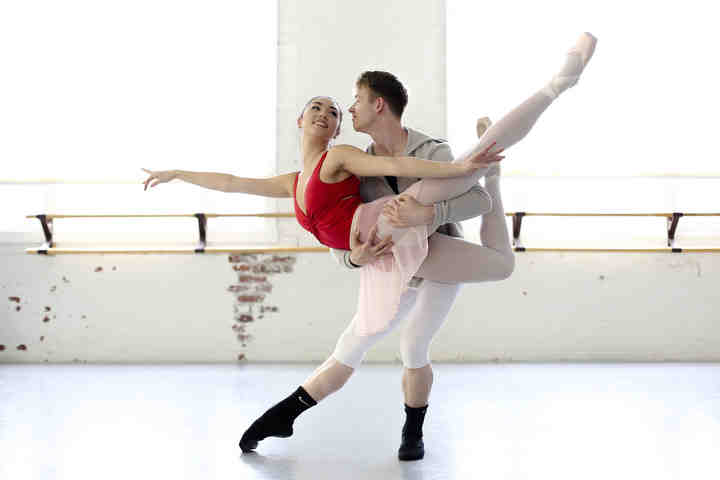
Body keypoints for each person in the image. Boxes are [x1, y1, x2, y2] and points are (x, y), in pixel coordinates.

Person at [142, 32, 597, 458]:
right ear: (300, 120)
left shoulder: (374, 155)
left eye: (343, 107)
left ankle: (556, 87)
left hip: (431, 244)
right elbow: (237, 183)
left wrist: (444, 197)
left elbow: (441, 182)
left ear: (370, 109)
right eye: (320, 108)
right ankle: (281, 416)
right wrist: (178, 173)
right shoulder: (310, 176)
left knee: (421, 339)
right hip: (388, 256)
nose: (337, 112)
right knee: (353, 343)